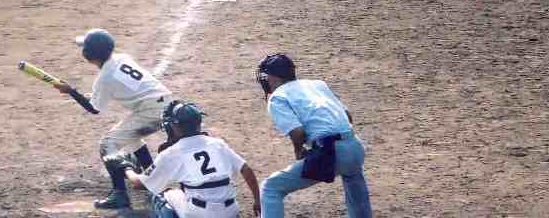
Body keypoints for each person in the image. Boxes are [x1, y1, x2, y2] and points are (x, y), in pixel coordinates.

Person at [54, 28, 172, 209]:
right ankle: (150, 178)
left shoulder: (104, 78)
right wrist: (76, 92)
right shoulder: (121, 58)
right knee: (129, 136)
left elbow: (94, 108)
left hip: (151, 111)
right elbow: (102, 95)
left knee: (108, 144)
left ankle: (119, 194)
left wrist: (71, 91)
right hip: (164, 105)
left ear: (88, 55)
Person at [255, 53, 372, 218]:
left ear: (273, 77)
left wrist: (298, 151)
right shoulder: (317, 84)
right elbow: (348, 116)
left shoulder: (278, 97)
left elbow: (298, 133)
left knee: (271, 188)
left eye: (266, 76)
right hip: (356, 147)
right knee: (352, 176)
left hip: (332, 151)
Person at [114, 100, 261, 218]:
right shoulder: (217, 144)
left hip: (200, 213)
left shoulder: (172, 153)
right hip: (230, 211)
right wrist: (257, 201)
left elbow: (140, 183)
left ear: (175, 127)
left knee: (162, 197)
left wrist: (127, 168)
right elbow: (246, 170)